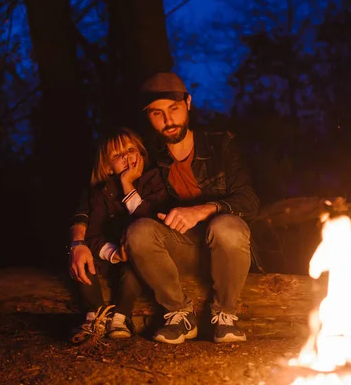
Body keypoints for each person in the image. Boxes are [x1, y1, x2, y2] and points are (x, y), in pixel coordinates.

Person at [124, 72, 261, 344]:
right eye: (157, 113)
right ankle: (179, 313)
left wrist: (203, 209)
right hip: (182, 250)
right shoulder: (147, 157)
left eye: (173, 109)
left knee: (225, 226)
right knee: (138, 231)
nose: (167, 120)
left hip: (226, 249)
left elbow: (249, 200)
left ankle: (225, 315)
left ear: (188, 102)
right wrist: (78, 236)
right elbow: (98, 187)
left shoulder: (222, 144)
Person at [68, 127, 169, 343]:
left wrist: (127, 184)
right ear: (107, 167)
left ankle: (122, 317)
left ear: (141, 154)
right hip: (110, 253)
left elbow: (150, 220)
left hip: (140, 254)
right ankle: (94, 315)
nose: (126, 156)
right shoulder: (101, 192)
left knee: (135, 267)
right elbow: (92, 234)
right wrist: (113, 254)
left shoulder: (155, 181)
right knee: (82, 260)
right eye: (116, 155)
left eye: (131, 149)